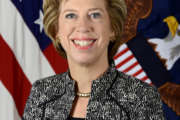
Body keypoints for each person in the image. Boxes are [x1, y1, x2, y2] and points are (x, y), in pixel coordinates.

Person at [22, 0, 165, 119]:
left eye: (95, 15)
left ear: (112, 29)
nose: (83, 27)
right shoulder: (41, 94)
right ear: (56, 30)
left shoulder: (142, 98)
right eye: (71, 15)